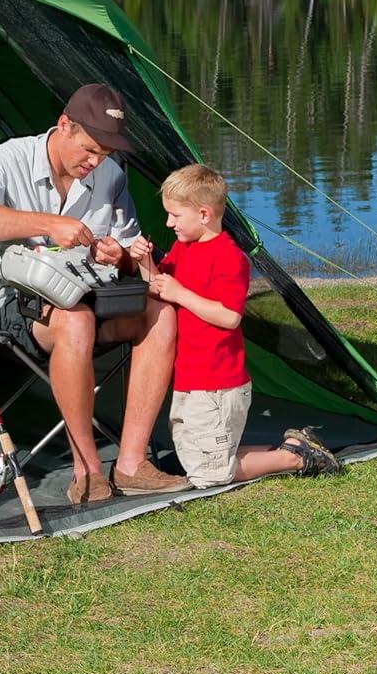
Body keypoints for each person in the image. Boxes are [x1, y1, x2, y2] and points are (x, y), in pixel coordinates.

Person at [0, 83, 189, 506]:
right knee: (75, 320)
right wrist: (46, 223)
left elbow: (130, 249)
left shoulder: (109, 175)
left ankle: (132, 464)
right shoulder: (7, 160)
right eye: (90, 150)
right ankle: (88, 471)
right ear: (64, 126)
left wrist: (122, 258)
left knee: (161, 311)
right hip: (19, 306)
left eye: (106, 155)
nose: (95, 163)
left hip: (96, 293)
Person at [128, 164, 343, 487]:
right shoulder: (183, 248)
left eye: (175, 215)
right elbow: (161, 285)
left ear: (203, 214)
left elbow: (229, 316)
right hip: (189, 377)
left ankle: (296, 457)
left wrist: (181, 293)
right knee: (193, 456)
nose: (168, 223)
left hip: (217, 384)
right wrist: (143, 263)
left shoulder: (228, 257)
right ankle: (293, 445)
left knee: (208, 475)